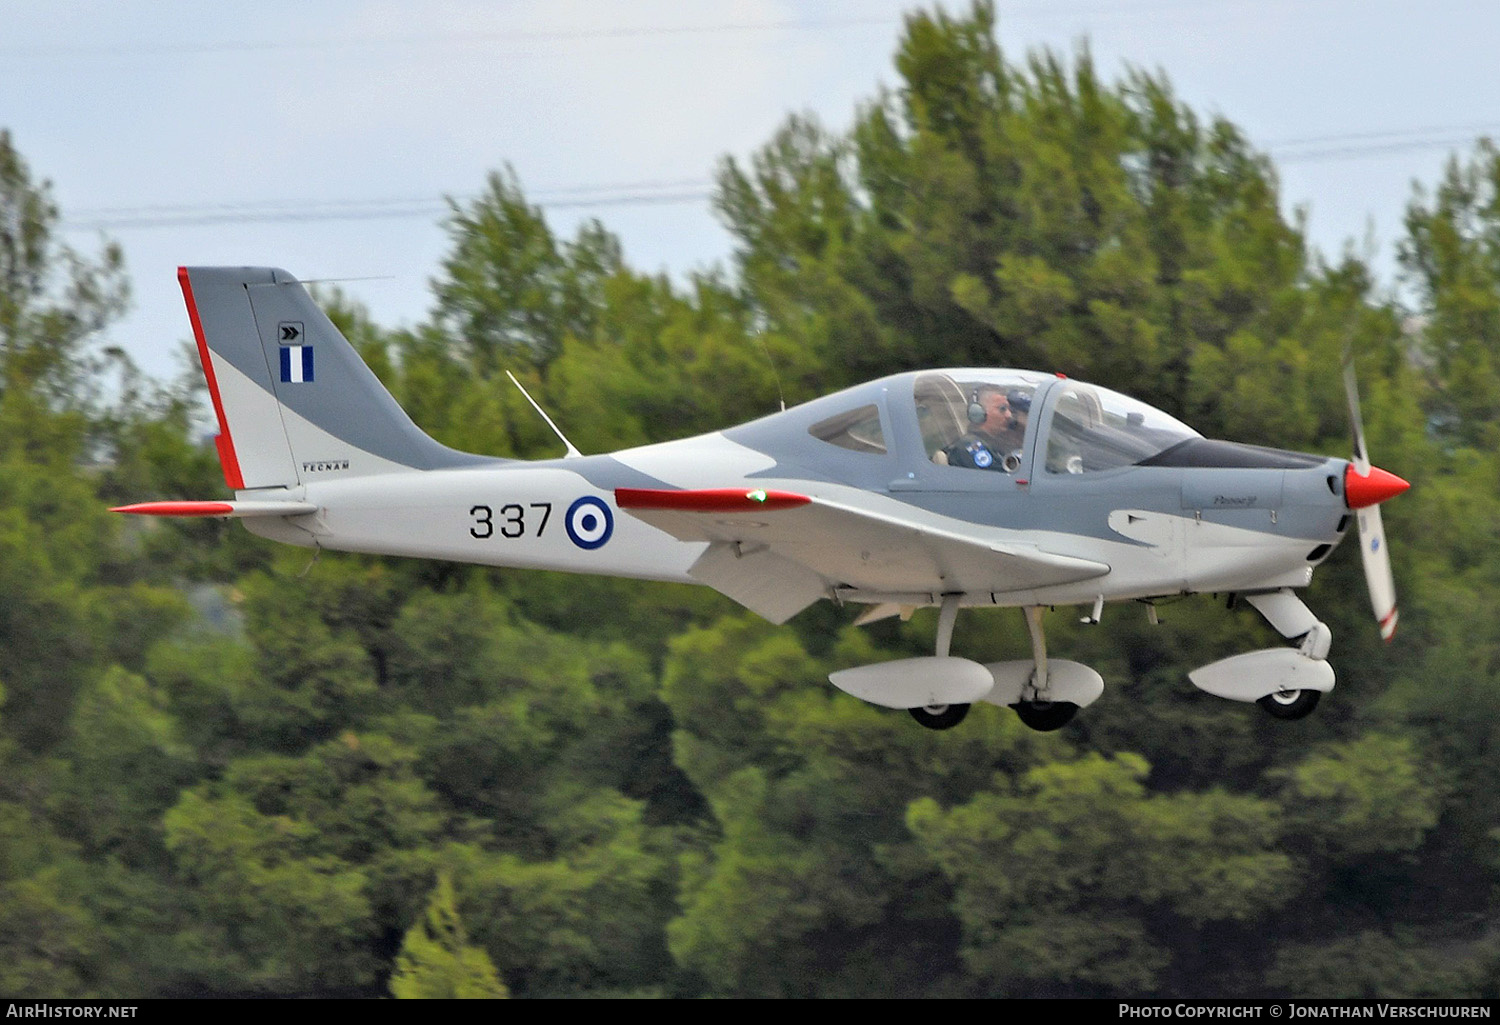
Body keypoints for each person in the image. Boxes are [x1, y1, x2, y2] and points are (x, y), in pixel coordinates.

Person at [943, 386, 1029, 471]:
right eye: (1002, 409)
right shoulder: (970, 446)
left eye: (1009, 409)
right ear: (978, 412)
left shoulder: (995, 444)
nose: (1009, 415)